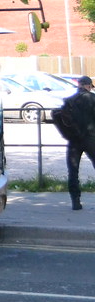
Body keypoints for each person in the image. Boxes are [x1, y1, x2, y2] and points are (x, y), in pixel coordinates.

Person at [63, 76, 95, 210]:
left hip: (74, 140)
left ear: (79, 85)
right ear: (88, 85)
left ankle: (75, 201)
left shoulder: (69, 100)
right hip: (91, 139)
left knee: (73, 171)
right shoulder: (93, 99)